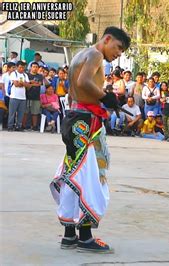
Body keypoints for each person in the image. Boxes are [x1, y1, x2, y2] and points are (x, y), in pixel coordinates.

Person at [49, 26, 130, 253]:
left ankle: (69, 235)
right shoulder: (95, 55)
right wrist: (107, 97)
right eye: (118, 47)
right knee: (90, 177)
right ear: (107, 39)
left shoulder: (79, 55)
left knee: (74, 174)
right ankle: (85, 237)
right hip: (86, 123)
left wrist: (104, 99)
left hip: (76, 118)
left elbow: (79, 88)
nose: (119, 53)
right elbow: (84, 82)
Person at [7, 61, 31, 131]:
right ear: (17, 67)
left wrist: (21, 83)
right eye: (20, 67)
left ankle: (18, 126)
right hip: (14, 96)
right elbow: (16, 84)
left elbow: (29, 86)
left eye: (23, 67)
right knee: (12, 113)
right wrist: (24, 84)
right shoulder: (13, 74)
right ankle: (10, 126)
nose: (21, 69)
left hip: (23, 97)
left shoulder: (25, 75)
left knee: (21, 113)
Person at [24, 62, 48, 131]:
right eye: (33, 66)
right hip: (27, 96)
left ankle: (34, 126)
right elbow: (26, 84)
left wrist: (30, 83)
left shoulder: (40, 76)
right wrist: (32, 83)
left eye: (36, 67)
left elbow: (39, 84)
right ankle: (23, 125)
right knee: (25, 112)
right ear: (31, 67)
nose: (35, 68)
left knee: (35, 112)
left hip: (36, 96)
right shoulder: (27, 75)